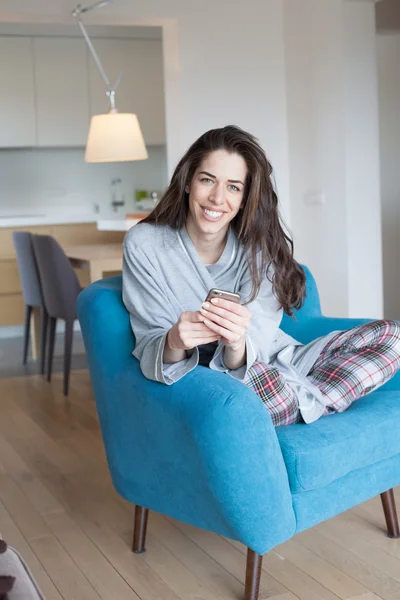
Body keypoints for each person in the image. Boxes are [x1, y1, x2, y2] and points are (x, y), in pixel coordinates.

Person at [122, 125, 400, 427]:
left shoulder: (260, 246)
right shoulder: (145, 243)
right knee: (246, 392)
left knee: (393, 336)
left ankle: (299, 404)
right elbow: (151, 342)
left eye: (233, 187)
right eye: (207, 180)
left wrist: (239, 343)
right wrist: (175, 340)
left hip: (277, 362)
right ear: (188, 182)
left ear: (244, 198)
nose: (217, 197)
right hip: (222, 380)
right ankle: (308, 402)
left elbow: (262, 343)